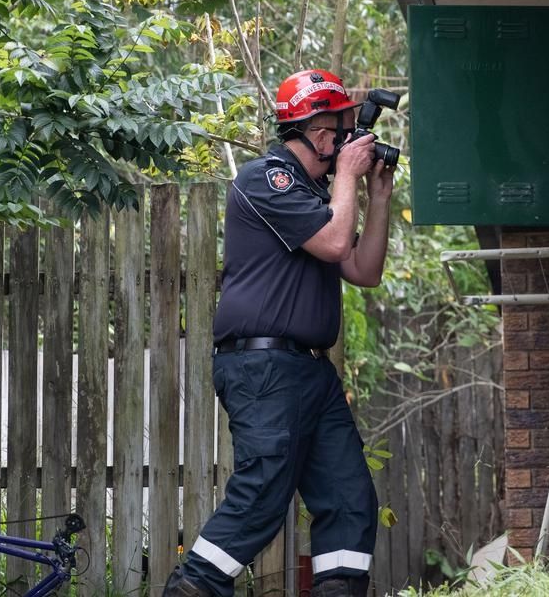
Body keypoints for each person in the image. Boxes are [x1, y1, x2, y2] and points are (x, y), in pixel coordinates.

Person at [162, 69, 395, 597]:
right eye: (343, 130)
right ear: (319, 135)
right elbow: (337, 245)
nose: (349, 141)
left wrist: (377, 195)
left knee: (348, 495)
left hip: (311, 370)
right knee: (264, 490)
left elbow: (363, 271)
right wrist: (347, 178)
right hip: (263, 368)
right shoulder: (268, 178)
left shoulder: (319, 193)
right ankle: (192, 587)